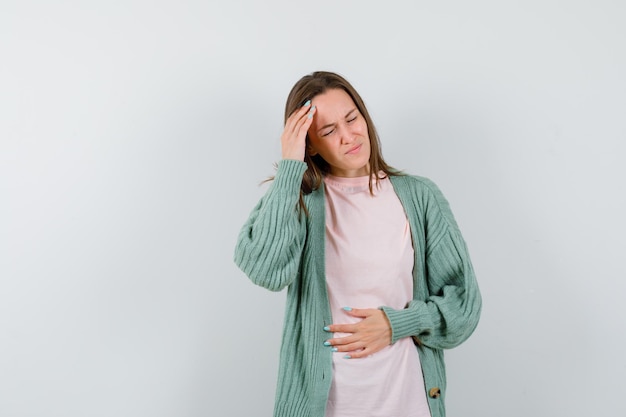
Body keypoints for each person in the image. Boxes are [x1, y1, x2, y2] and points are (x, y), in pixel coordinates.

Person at [234, 71, 481, 417]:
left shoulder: (420, 196)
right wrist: (291, 167)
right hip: (328, 406)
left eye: (352, 118)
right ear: (310, 143)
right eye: (329, 130)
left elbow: (464, 306)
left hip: (407, 400)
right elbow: (265, 269)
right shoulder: (301, 201)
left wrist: (399, 323)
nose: (349, 136)